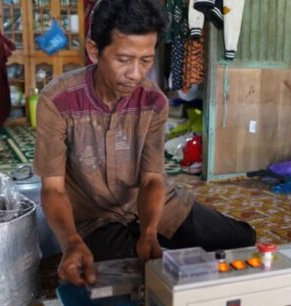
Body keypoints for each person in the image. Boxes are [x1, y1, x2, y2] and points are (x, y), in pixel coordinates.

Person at [34, 0, 256, 287]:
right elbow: (52, 188)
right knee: (121, 280)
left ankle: (155, 240)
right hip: (97, 217)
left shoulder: (154, 101)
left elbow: (152, 180)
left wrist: (149, 231)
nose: (135, 74)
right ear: (94, 51)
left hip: (156, 204)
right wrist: (71, 240)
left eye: (146, 61)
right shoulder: (58, 101)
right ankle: (147, 247)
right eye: (123, 60)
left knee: (240, 241)